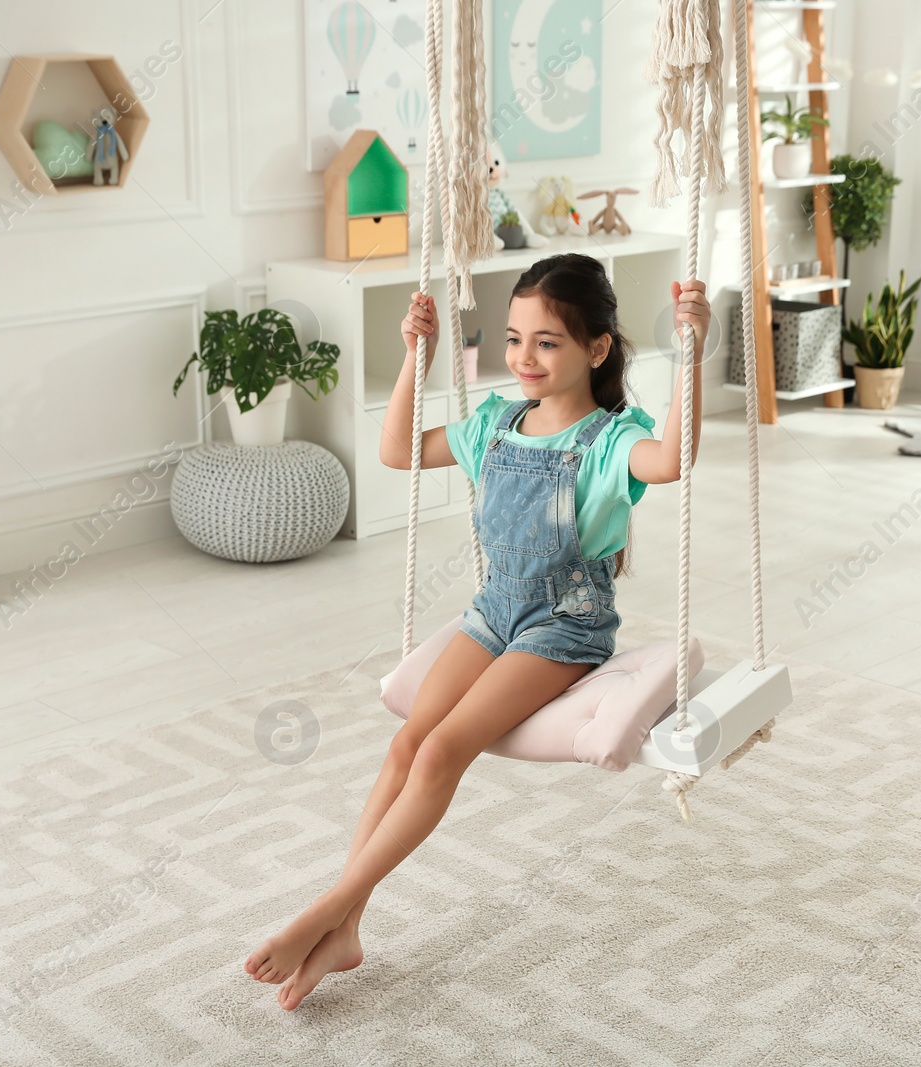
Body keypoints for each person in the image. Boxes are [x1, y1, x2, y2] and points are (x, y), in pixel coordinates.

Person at [244, 252, 709, 1010]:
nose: (524, 358)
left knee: (440, 750)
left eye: (548, 342)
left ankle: (328, 908)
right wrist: (414, 356)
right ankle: (347, 926)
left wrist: (690, 352)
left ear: (597, 348)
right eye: (515, 338)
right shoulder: (495, 422)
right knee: (404, 744)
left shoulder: (611, 438)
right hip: (494, 610)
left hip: (564, 623)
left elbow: (673, 461)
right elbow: (398, 451)